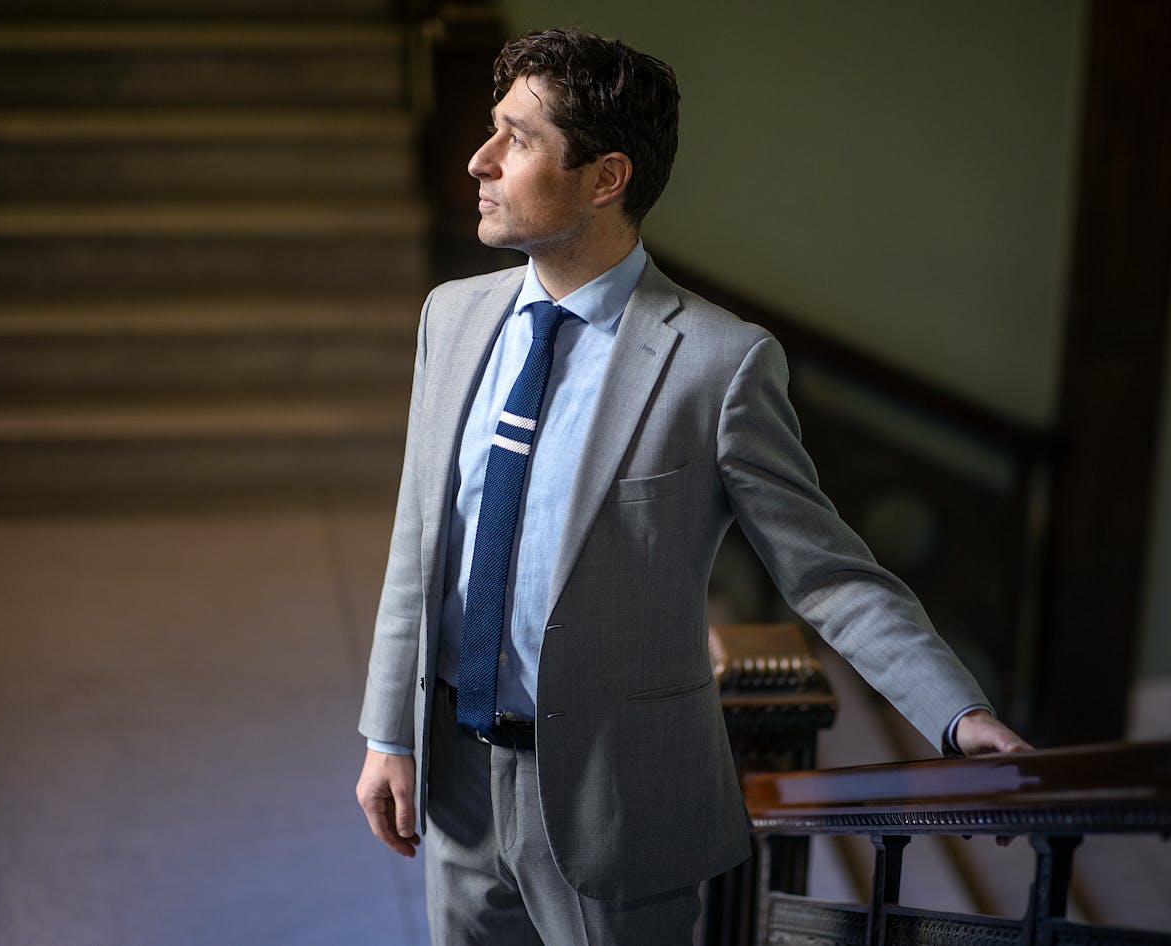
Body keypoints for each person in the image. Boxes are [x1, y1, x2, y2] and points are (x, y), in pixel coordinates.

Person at [355, 26, 1029, 945]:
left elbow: (826, 573)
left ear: (605, 179)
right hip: (459, 785)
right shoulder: (454, 316)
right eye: (490, 130)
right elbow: (421, 540)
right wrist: (388, 731)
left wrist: (958, 714)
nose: (479, 160)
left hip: (614, 803)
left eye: (516, 139)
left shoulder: (720, 363)